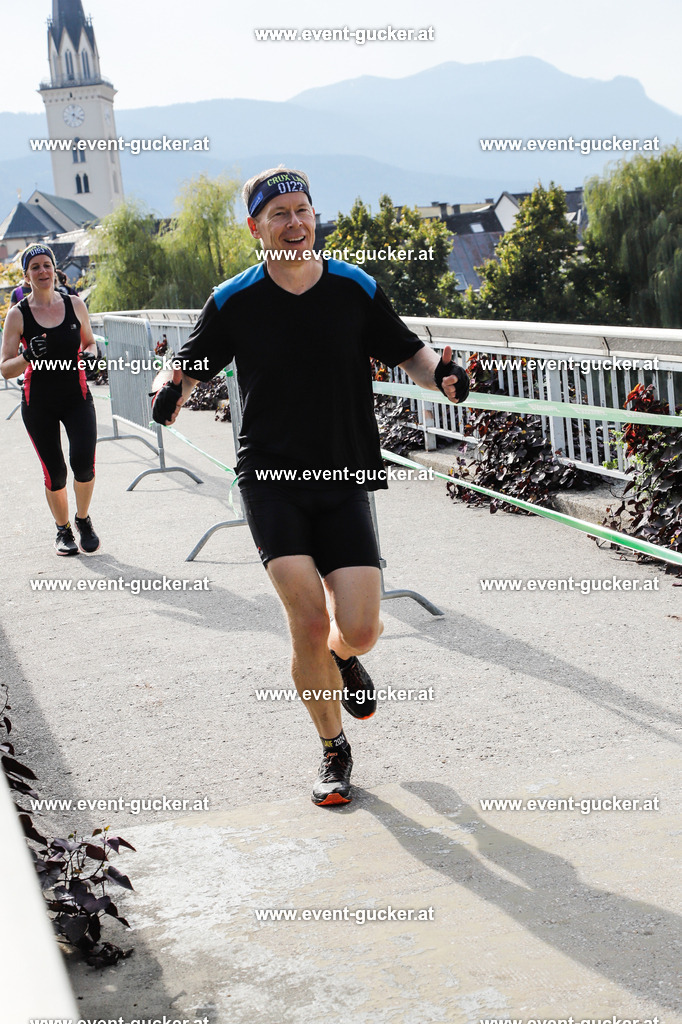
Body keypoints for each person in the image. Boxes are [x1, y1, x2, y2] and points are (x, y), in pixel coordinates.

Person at [151, 167, 469, 806]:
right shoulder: (233, 299)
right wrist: (168, 391)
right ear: (255, 228)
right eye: (278, 215)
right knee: (304, 612)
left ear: (313, 217)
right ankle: (332, 750)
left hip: (344, 472)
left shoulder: (354, 287)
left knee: (360, 628)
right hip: (269, 478)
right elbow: (187, 363)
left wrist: (446, 376)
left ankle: (344, 657)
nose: (294, 224)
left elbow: (407, 350)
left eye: (302, 211)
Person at [1, 243, 100, 555]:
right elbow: (5, 368)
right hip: (38, 402)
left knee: (83, 464)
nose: (42, 271)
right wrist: (27, 355)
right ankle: (63, 530)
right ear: (26, 275)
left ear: (55, 269)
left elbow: (90, 342)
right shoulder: (18, 316)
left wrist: (92, 355)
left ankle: (82, 520)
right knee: (55, 471)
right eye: (35, 268)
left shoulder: (74, 305)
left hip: (76, 396)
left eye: (46, 265)